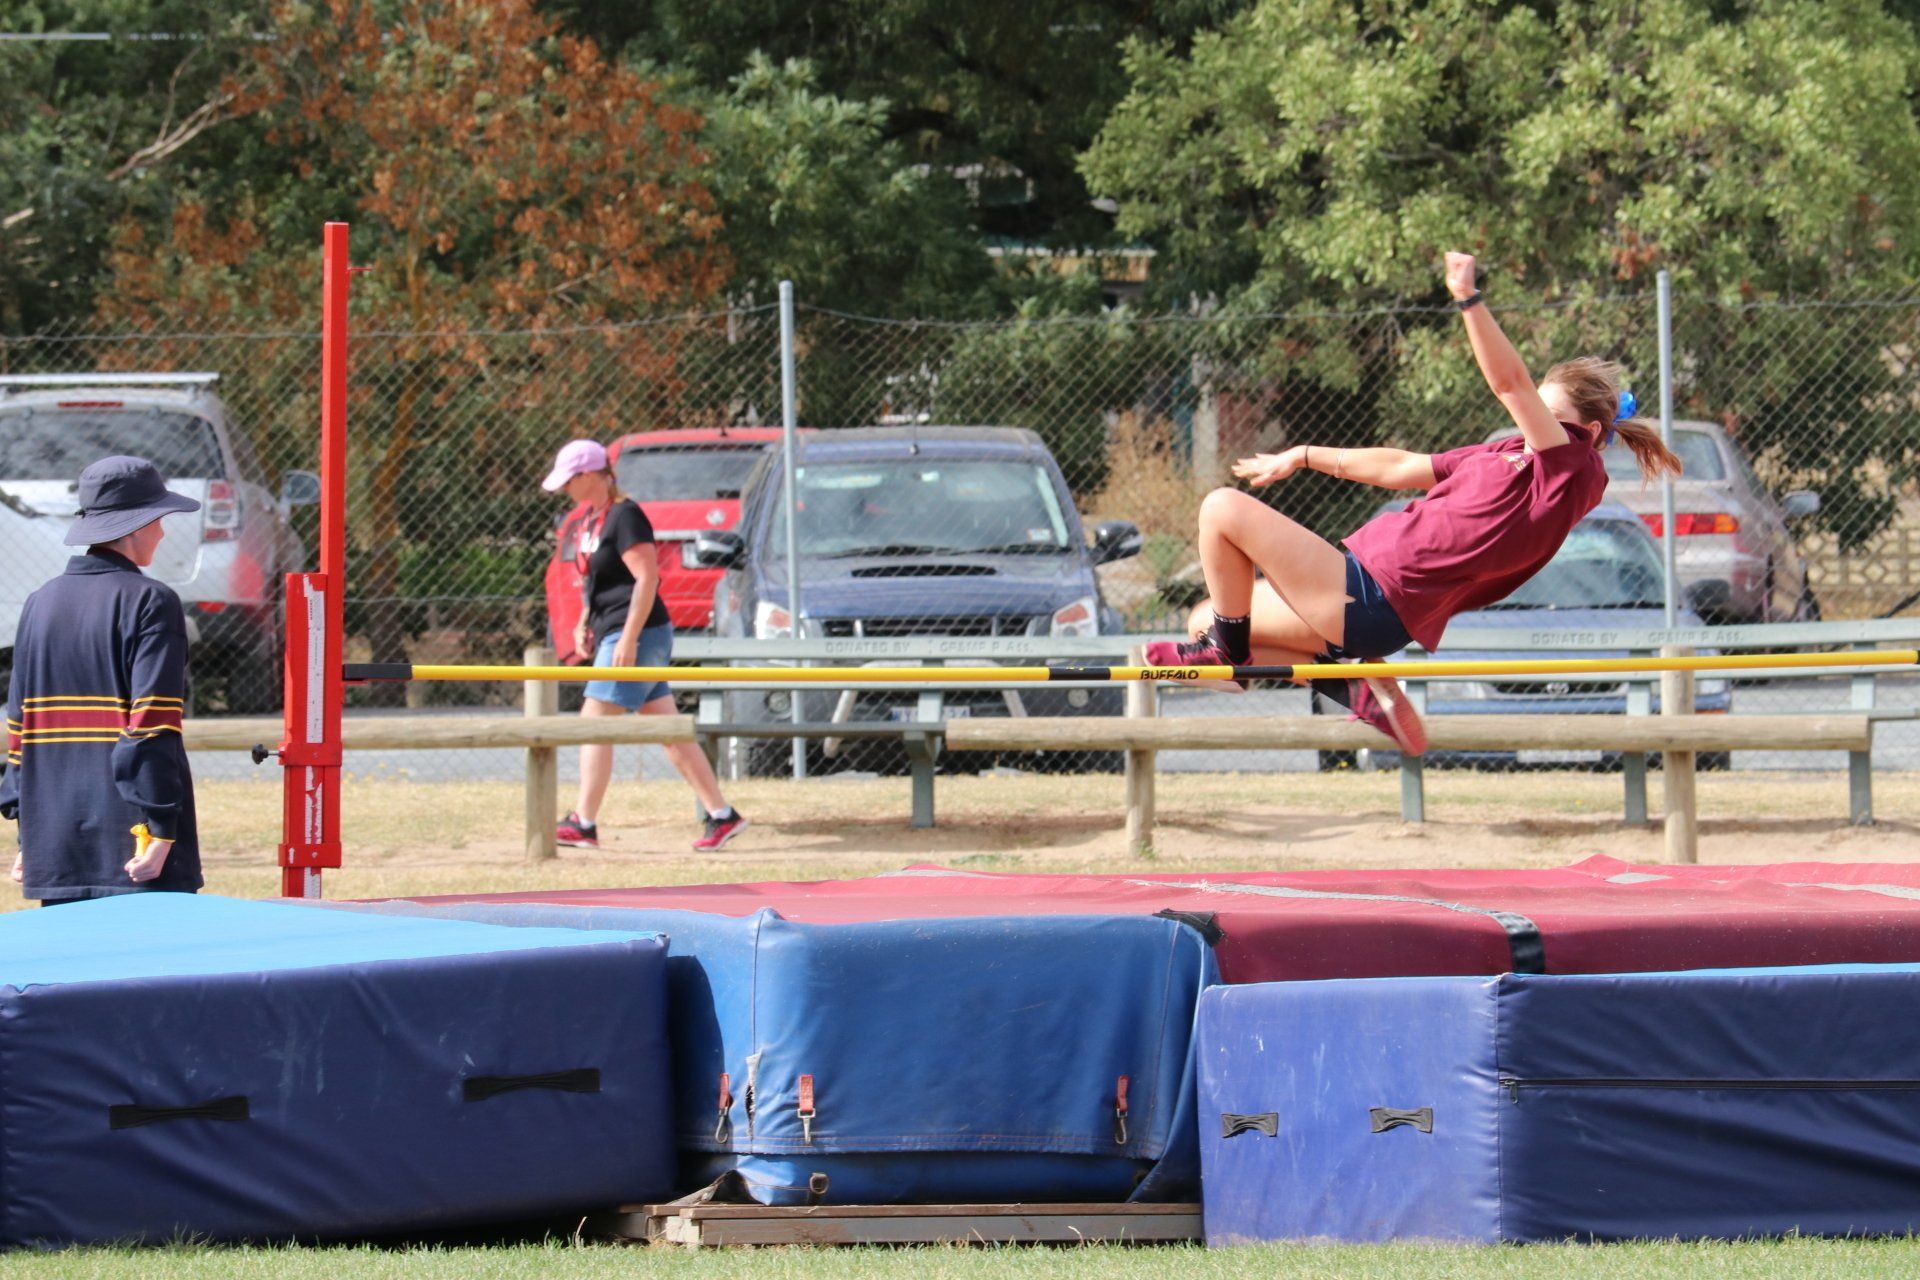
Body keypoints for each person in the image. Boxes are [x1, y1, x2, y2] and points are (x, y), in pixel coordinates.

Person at [1147, 251, 1683, 753]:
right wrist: (1303, 456)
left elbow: (1510, 383)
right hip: (1362, 591)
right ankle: (1349, 685)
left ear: (1586, 431)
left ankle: (1232, 658)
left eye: (1546, 419)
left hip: (1377, 594)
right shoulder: (1506, 451)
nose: (1530, 425)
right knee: (1203, 618)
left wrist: (1467, 298)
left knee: (1222, 508)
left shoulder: (1572, 470)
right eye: (1533, 417)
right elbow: (1402, 467)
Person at [1, 455, 204, 903]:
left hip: (53, 838)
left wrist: (26, 831)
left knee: (71, 971)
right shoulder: (152, 602)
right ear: (134, 526)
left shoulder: (40, 602)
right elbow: (152, 723)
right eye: (158, 519)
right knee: (153, 970)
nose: (163, 531)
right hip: (135, 842)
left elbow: (20, 725)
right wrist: (161, 828)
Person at [541, 440, 747, 852]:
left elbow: (646, 579)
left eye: (569, 481)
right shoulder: (590, 520)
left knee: (594, 721)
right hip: (613, 628)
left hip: (639, 631)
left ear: (588, 476)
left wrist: (629, 637)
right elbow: (595, 580)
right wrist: (586, 619)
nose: (565, 490)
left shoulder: (626, 516)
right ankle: (722, 816)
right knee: (669, 732)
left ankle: (584, 822)